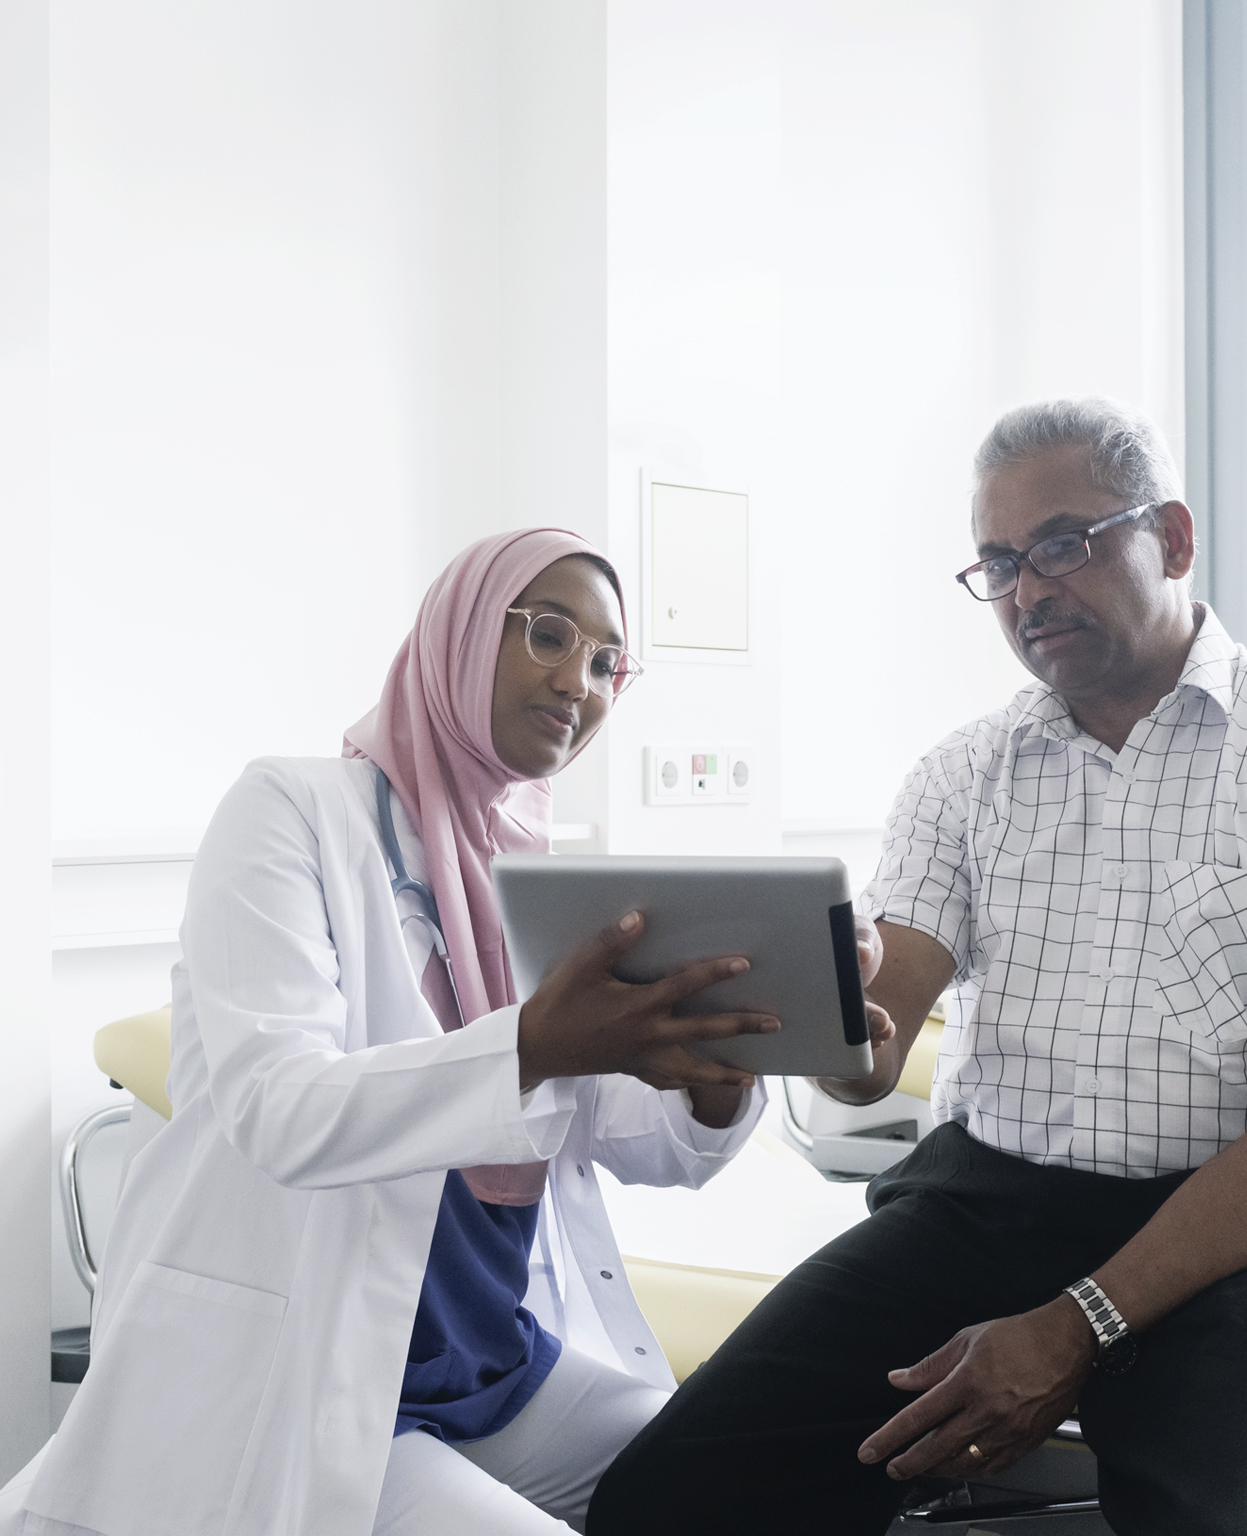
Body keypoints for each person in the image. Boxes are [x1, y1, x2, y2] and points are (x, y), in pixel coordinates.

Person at [589, 399, 1247, 1536]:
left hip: (1246, 1231)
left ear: (1172, 538)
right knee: (668, 1500)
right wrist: (817, 1016)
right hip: (986, 1211)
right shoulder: (965, 774)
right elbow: (865, 1064)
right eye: (998, 564)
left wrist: (1074, 1326)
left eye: (1062, 545)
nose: (1029, 590)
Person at [9, 528, 881, 1536]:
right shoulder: (289, 813)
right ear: (461, 635)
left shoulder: (535, 876)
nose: (580, 683)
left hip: (487, 1365)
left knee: (744, 1476)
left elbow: (638, 1143)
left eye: (608, 663)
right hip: (312, 1382)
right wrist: (534, 1047)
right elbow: (279, 1110)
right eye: (548, 635)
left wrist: (723, 1063)